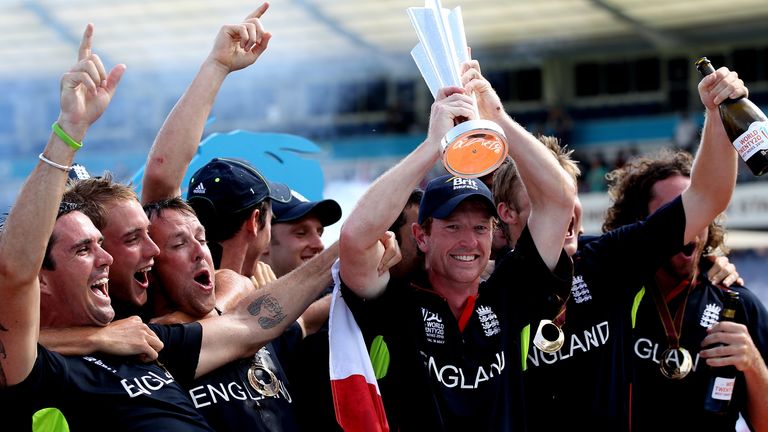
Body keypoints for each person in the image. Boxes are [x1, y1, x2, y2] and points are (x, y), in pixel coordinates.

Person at [491, 67, 753, 431]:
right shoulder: (485, 285)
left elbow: (706, 198)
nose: (563, 213)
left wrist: (715, 112)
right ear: (506, 213)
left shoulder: (608, 259)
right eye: (544, 200)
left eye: (568, 197)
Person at [338, 59, 576, 430]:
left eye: (480, 227)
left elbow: (559, 197)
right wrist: (434, 146)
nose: (469, 241)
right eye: (452, 226)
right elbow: (354, 238)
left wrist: (497, 119)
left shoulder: (509, 293)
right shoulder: (393, 303)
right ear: (422, 236)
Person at [606, 151, 768, 431]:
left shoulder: (736, 303)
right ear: (643, 225)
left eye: (698, 212)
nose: (689, 226)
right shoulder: (610, 292)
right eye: (674, 215)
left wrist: (753, 363)